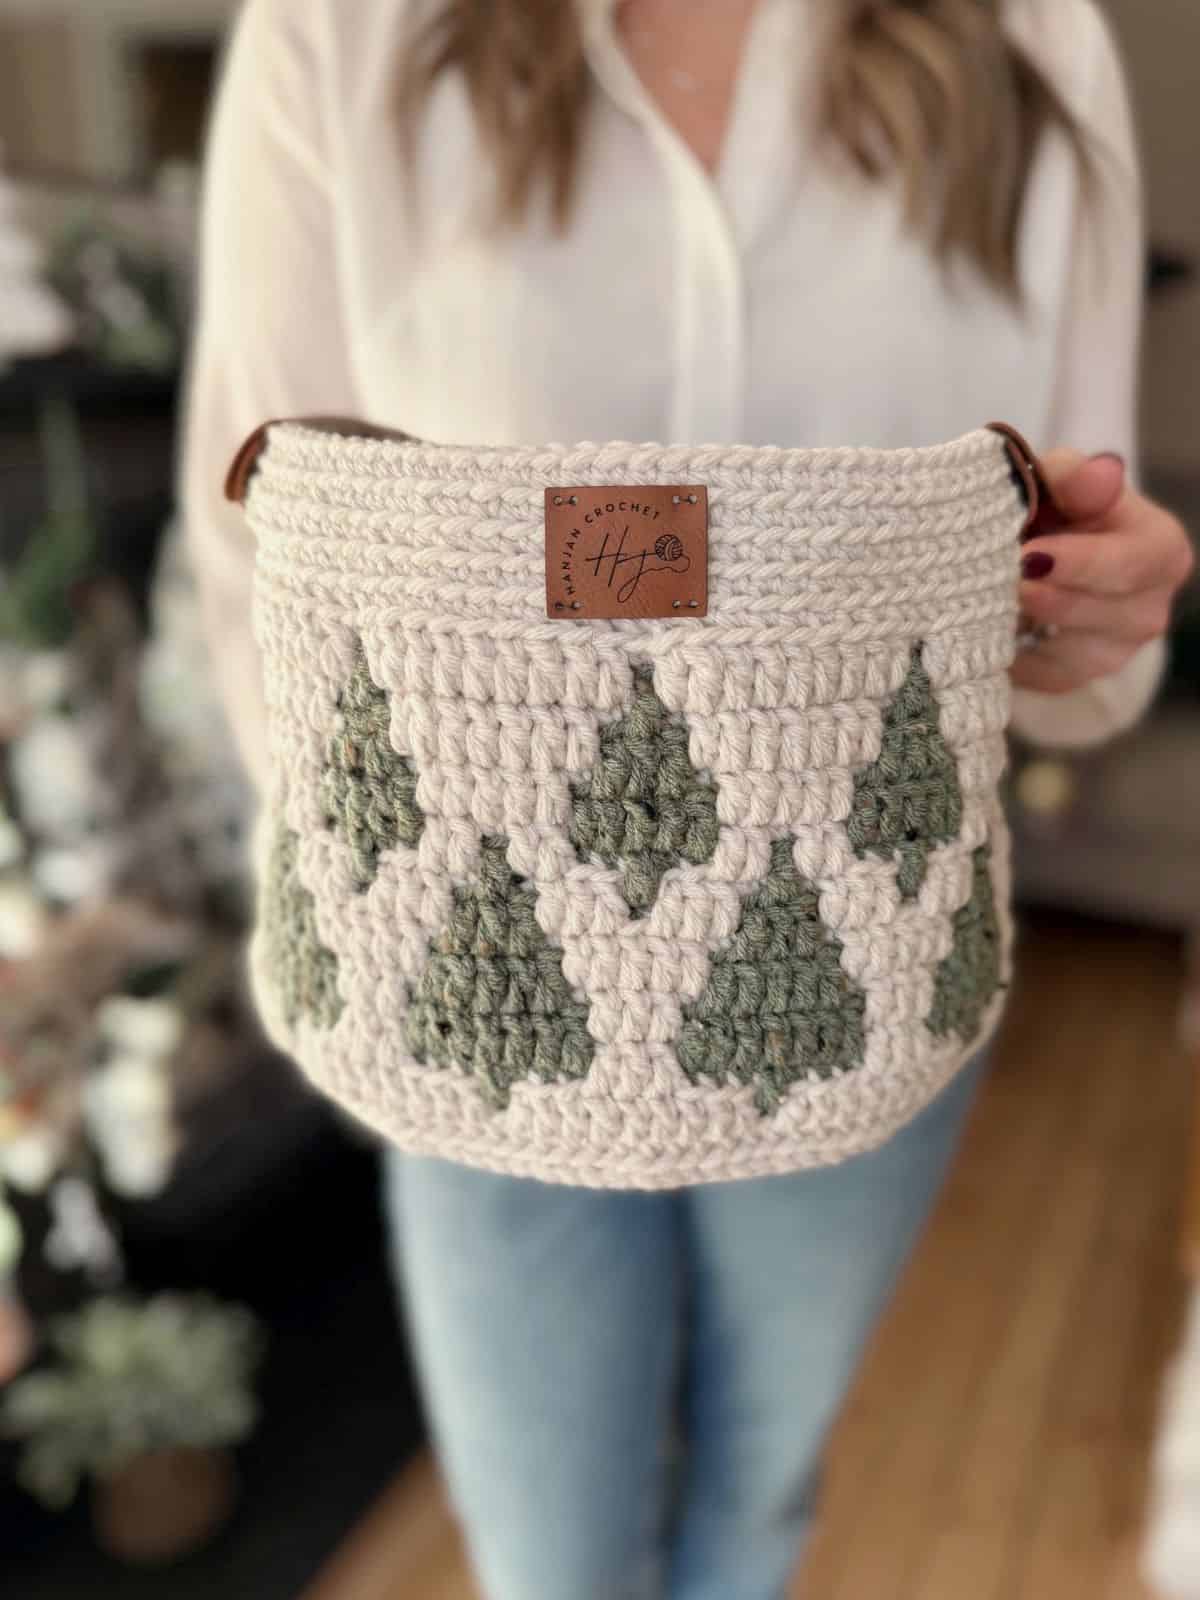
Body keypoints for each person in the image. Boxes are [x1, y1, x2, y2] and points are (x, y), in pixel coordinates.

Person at [181, 2, 1193, 1596]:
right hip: (473, 977)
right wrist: (355, 860)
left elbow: (1073, 566)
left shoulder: (1027, 34)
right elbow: (251, 541)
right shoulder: (346, 30)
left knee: (759, 1493)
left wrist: (1100, 610)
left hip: (859, 954)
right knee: (547, 1557)